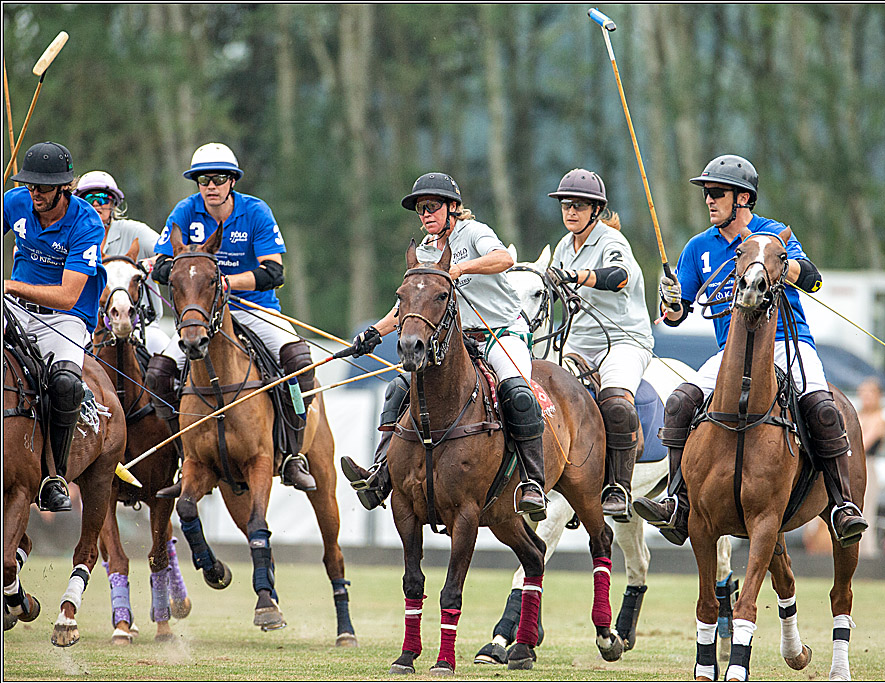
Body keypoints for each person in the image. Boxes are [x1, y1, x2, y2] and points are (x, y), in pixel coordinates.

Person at [633, 154, 869, 547]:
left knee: (823, 408)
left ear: (742, 199)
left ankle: (842, 504)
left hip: (785, 344)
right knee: (679, 402)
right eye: (706, 194)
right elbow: (676, 315)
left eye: (717, 193)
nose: (708, 200)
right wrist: (671, 303)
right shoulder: (698, 249)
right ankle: (678, 500)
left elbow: (813, 282)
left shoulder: (773, 235)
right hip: (730, 352)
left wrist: (772, 264)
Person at [339, 172, 547, 518]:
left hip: (502, 332)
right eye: (421, 209)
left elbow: (504, 260)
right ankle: (380, 472)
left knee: (517, 393)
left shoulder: (474, 233)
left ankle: (533, 482)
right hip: (457, 340)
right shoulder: (422, 251)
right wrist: (374, 332)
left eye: (432, 207)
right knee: (398, 388)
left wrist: (459, 268)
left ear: (453, 207)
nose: (425, 215)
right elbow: (409, 307)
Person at [146, 142, 316, 492]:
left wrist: (225, 282)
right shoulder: (184, 211)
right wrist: (191, 272)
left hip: (254, 308)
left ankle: (293, 454)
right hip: (201, 315)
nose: (211, 185)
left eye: (219, 178)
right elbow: (163, 265)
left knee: (298, 361)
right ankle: (184, 456)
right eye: (203, 179)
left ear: (232, 182)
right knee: (159, 374)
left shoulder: (255, 212)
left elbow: (274, 272)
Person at [3, 141, 107, 511]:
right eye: (30, 186)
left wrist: (10, 285)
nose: (35, 195)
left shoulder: (86, 223)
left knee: (64, 383)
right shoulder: (15, 201)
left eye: (43, 188)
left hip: (65, 318)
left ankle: (54, 478)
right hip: (14, 308)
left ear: (64, 187)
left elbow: (67, 295)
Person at [545, 168, 653, 521]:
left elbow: (618, 278)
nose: (570, 211)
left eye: (579, 205)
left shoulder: (612, 242)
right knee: (545, 400)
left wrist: (575, 276)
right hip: (577, 341)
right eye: (565, 205)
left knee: (617, 405)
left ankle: (617, 488)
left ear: (596, 209)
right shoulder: (563, 246)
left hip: (624, 340)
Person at [72, 170, 171, 356]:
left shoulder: (135, 231)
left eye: (103, 199)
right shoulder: (71, 238)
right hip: (87, 329)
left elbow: (170, 251)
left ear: (113, 204)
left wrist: (151, 262)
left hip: (142, 328)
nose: (95, 205)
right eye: (88, 199)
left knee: (169, 363)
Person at [855, 376, 885, 557]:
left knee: (866, 513)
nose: (866, 396)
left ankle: (867, 555)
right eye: (863, 392)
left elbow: (862, 445)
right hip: (854, 466)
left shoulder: (878, 419)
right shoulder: (858, 415)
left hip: (867, 466)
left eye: (870, 392)